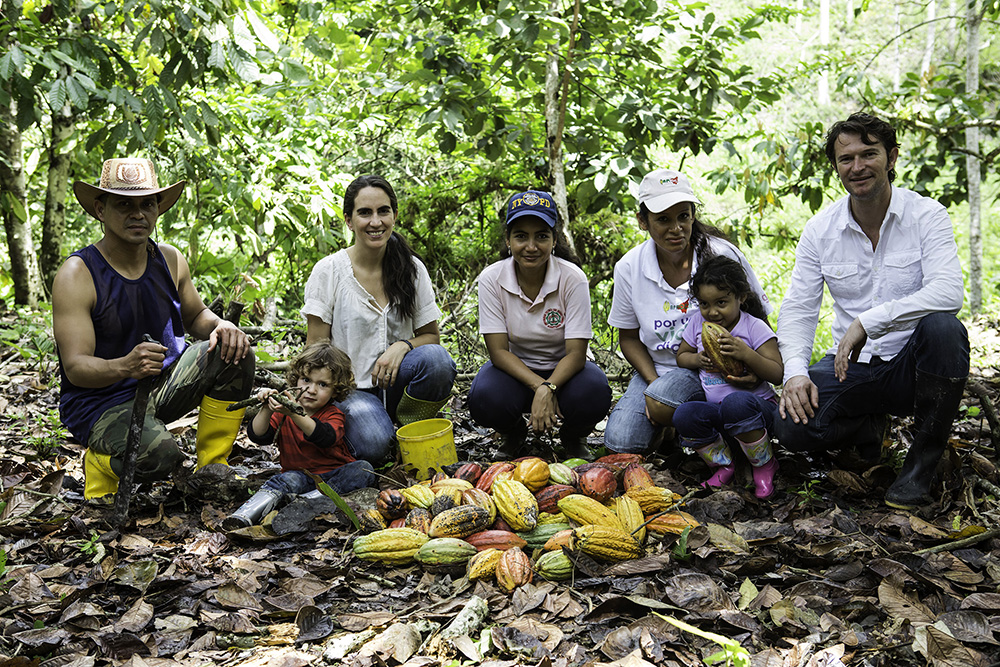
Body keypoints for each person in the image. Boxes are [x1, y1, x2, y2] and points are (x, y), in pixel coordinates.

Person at [775, 112, 969, 510]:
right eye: (846, 159)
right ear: (836, 168)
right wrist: (794, 371)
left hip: (913, 366)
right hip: (852, 368)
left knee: (945, 329)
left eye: (869, 154)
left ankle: (918, 471)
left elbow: (949, 291)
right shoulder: (820, 230)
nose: (858, 167)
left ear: (892, 157)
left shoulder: (926, 215)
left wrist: (869, 320)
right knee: (790, 427)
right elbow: (799, 307)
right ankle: (867, 425)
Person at [53, 158, 255, 500]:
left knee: (234, 350)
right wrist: (124, 366)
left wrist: (222, 326)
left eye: (147, 203)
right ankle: (100, 465)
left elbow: (196, 317)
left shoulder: (169, 259)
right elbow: (76, 369)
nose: (138, 213)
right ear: (100, 210)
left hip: (160, 385)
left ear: (158, 209)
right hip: (100, 402)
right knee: (160, 458)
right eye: (124, 205)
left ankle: (212, 466)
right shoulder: (78, 273)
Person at [604, 169, 772, 455]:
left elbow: (758, 317)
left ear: (694, 215)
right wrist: (655, 385)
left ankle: (712, 434)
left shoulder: (721, 254)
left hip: (719, 369)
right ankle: (677, 425)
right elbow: (629, 338)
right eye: (663, 220)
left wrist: (756, 370)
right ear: (643, 221)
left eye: (684, 216)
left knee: (664, 403)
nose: (676, 228)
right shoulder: (630, 268)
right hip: (661, 369)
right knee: (622, 443)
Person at [302, 175, 457, 465]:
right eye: (365, 213)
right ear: (349, 221)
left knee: (437, 360)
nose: (376, 222)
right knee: (375, 443)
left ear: (394, 216)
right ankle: (382, 435)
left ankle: (409, 428)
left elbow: (430, 337)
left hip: (400, 383)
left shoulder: (411, 269)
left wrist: (402, 346)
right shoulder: (330, 271)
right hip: (350, 390)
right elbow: (315, 348)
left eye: (383, 211)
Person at [467, 190, 612, 461]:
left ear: (555, 240)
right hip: (514, 370)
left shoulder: (572, 279)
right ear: (508, 240)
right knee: (484, 397)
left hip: (567, 369)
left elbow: (576, 353)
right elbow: (498, 352)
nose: (531, 246)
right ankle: (513, 433)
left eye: (541, 236)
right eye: (521, 236)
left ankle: (573, 435)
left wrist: (550, 386)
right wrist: (539, 386)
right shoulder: (491, 279)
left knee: (595, 392)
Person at [223, 342, 375, 530]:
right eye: (306, 380)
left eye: (322, 384)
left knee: (363, 470)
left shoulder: (333, 414)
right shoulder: (283, 412)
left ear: (336, 390)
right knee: (285, 480)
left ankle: (308, 504)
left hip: (333, 476)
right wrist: (266, 408)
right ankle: (244, 515)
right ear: (295, 380)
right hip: (299, 476)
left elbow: (324, 437)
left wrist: (295, 412)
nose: (311, 390)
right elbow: (258, 436)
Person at [673, 256, 784, 498]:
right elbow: (682, 356)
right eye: (704, 304)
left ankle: (764, 464)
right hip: (720, 414)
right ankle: (724, 465)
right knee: (685, 414)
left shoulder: (753, 327)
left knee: (736, 403)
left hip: (757, 412)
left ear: (741, 297)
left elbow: (777, 373)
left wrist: (747, 354)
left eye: (721, 302)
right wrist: (697, 359)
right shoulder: (697, 324)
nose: (712, 312)